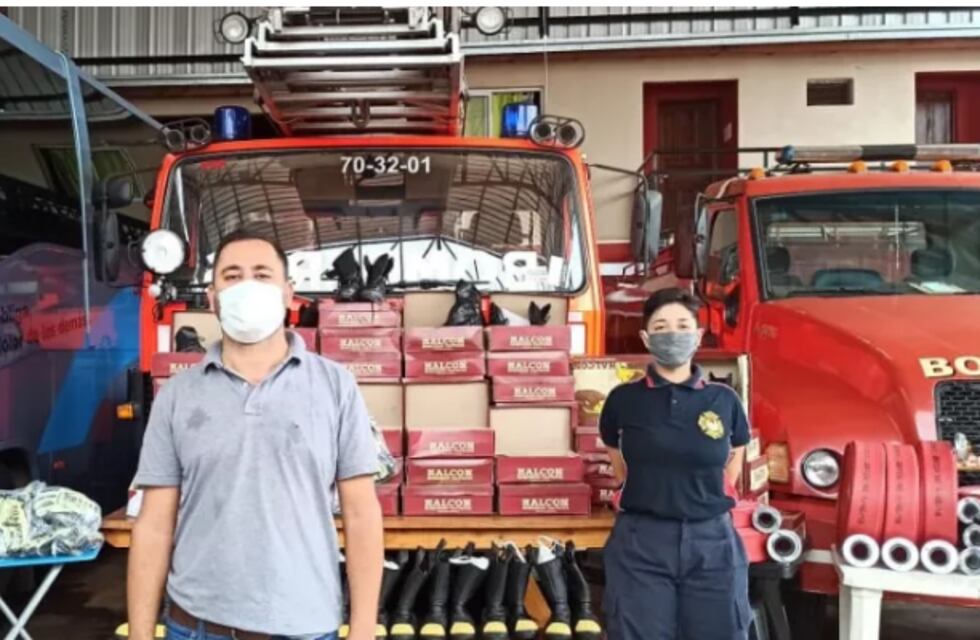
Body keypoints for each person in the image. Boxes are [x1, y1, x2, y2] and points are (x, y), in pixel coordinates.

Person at [127, 230, 385, 640]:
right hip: (195, 626)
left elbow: (361, 514)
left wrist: (364, 630)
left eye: (262, 275)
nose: (247, 286)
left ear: (288, 294)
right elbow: (154, 523)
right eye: (232, 276)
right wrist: (140, 635)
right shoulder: (177, 395)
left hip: (305, 627)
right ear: (212, 299)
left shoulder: (336, 386)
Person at [600, 287, 751, 640]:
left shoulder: (723, 399)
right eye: (662, 326)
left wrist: (708, 492)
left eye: (683, 325)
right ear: (646, 337)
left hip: (713, 542)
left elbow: (738, 450)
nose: (673, 334)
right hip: (642, 542)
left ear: (698, 335)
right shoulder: (624, 400)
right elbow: (615, 453)